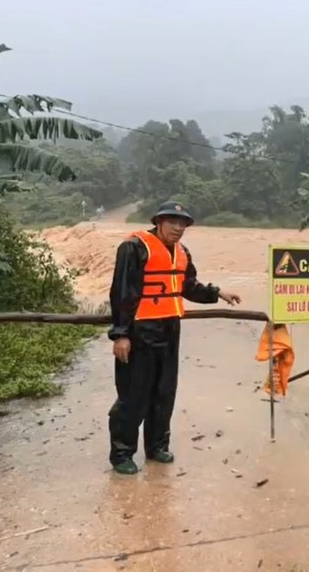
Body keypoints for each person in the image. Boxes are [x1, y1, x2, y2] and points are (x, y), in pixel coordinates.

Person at [107, 201, 242, 475]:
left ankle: (157, 447)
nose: (178, 228)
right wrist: (120, 334)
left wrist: (217, 292)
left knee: (164, 392)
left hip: (169, 329)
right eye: (173, 222)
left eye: (183, 224)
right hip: (139, 330)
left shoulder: (182, 252)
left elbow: (188, 287)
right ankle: (122, 454)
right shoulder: (134, 247)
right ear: (158, 222)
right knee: (134, 394)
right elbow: (122, 292)